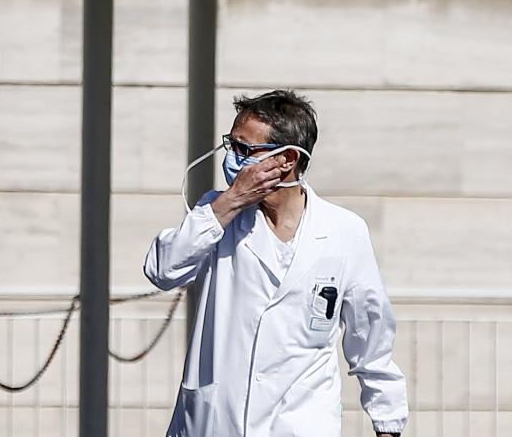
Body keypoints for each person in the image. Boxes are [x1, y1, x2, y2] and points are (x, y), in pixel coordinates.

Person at [144, 89, 409, 437]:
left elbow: (370, 333)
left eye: (244, 150)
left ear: (286, 159)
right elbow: (163, 270)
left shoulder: (344, 232)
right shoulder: (217, 215)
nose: (232, 159)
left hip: (300, 424)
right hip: (217, 422)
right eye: (231, 146)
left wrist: (387, 421)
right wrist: (230, 202)